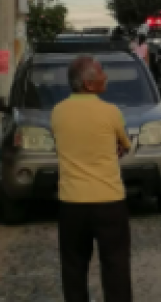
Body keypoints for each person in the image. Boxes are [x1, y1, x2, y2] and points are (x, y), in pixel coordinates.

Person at [51, 56, 133, 302]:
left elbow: (62, 144)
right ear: (88, 84)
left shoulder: (58, 112)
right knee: (116, 266)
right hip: (109, 202)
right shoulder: (111, 112)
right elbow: (124, 145)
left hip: (71, 203)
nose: (105, 76)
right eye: (100, 73)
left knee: (74, 268)